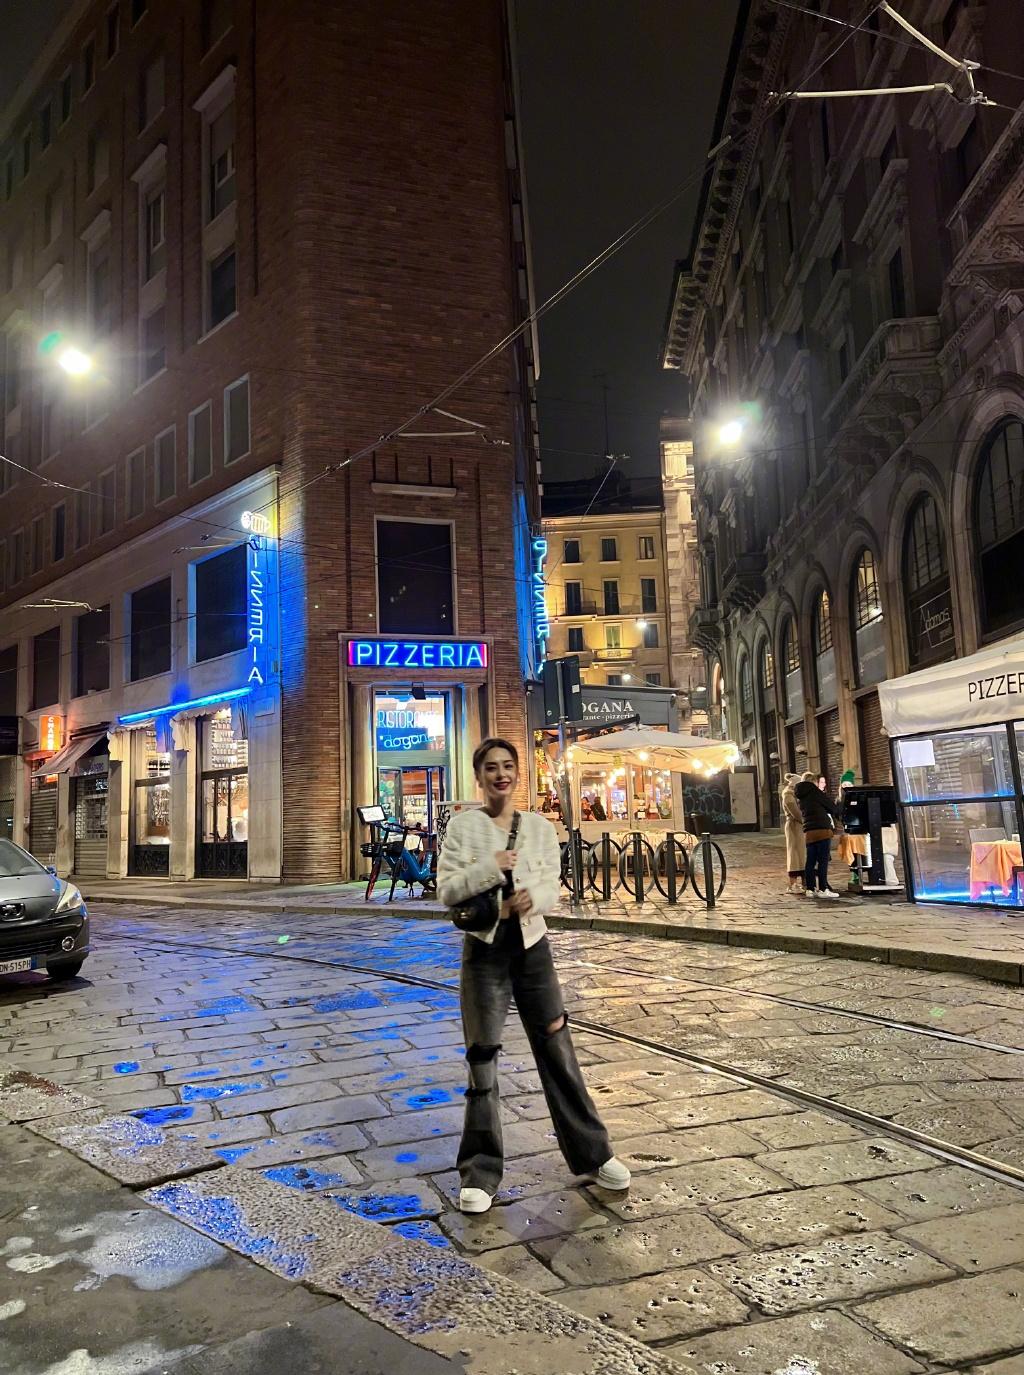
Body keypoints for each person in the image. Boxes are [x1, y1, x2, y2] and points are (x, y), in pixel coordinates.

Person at [437, 737, 631, 1214]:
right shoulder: (463, 828)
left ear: (517, 773)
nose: (500, 774)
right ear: (479, 776)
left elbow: (551, 886)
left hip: (532, 950)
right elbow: (447, 891)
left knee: (557, 1049)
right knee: (482, 1059)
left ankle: (594, 1154)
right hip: (484, 952)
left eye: (507, 766)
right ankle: (479, 1171)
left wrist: (532, 900)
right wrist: (491, 868)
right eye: (491, 767)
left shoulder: (540, 828)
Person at [794, 771, 840, 898]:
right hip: (822, 830)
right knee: (823, 861)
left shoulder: (801, 795)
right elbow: (832, 807)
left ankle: (810, 888)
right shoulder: (815, 792)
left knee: (810, 861)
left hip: (809, 831)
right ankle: (823, 888)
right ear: (813, 782)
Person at [780, 773, 805, 893]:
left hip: (799, 828)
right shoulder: (788, 796)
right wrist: (806, 821)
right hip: (794, 827)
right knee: (794, 854)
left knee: (802, 854)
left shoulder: (794, 795)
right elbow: (796, 813)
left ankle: (803, 882)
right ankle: (792, 884)